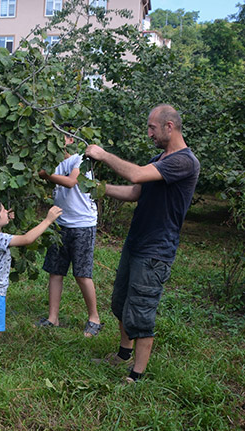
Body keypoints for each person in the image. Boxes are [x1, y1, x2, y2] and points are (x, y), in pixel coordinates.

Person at [85, 104, 200, 383]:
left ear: (169, 127)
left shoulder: (184, 161)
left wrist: (102, 155)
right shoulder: (159, 158)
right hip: (136, 241)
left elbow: (136, 175)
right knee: (121, 303)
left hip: (156, 248)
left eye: (152, 127)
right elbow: (136, 191)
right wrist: (96, 188)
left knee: (141, 310)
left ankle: (136, 375)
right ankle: (124, 354)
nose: (149, 133)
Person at [0, 197, 62, 381]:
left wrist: (5, 217)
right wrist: (48, 220)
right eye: (2, 210)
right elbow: (27, 239)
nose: (6, 212)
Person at [36, 128, 102, 337]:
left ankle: (94, 318)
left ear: (71, 139)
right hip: (60, 223)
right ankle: (52, 318)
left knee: (82, 273)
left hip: (82, 224)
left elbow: (72, 181)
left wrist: (47, 175)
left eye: (60, 136)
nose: (54, 141)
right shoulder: (52, 162)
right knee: (55, 271)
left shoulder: (80, 159)